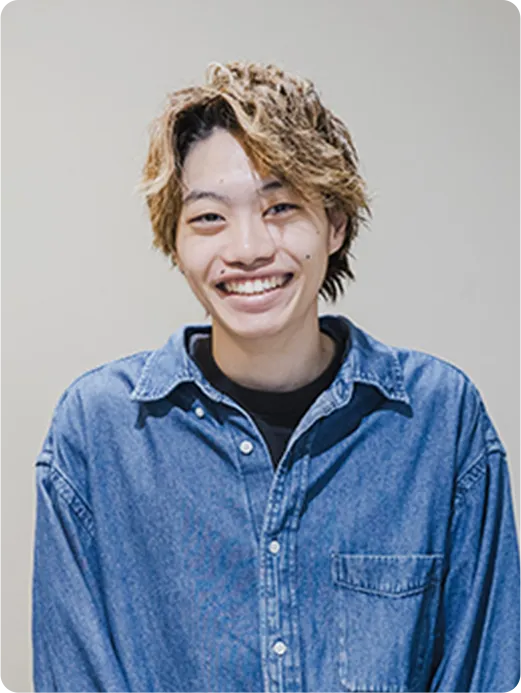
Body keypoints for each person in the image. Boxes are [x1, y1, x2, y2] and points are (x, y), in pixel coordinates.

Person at [32, 61, 521, 693]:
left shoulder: (438, 421)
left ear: (335, 224)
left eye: (281, 207)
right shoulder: (100, 433)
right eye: (208, 218)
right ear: (175, 243)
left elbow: (485, 671)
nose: (248, 249)